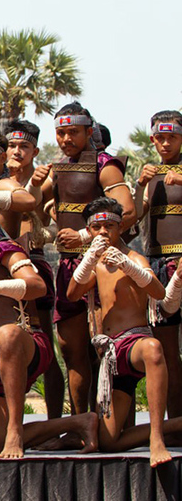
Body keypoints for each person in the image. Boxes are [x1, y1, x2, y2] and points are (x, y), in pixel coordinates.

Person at [0, 189, 98, 458]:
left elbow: (37, 286)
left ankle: (15, 431)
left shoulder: (7, 248)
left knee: (7, 334)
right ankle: (79, 422)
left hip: (27, 343)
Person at [32, 102, 135, 415]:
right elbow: (31, 205)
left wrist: (85, 236)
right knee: (72, 351)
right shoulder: (58, 168)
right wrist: (34, 184)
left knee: (109, 347)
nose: (66, 138)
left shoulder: (105, 165)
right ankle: (81, 423)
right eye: (61, 132)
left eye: (73, 132)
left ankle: (115, 425)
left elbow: (128, 212)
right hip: (68, 267)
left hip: (104, 265)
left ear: (89, 132)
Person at [67, 197, 181, 467]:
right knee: (108, 442)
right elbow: (72, 294)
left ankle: (157, 439)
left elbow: (158, 292)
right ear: (89, 231)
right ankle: (177, 425)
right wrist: (89, 258)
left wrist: (127, 266)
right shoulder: (94, 263)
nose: (103, 232)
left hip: (135, 343)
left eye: (109, 226)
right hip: (112, 354)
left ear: (120, 227)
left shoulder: (134, 258)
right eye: (97, 227)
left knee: (153, 349)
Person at [4, 120, 65, 419]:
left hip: (34, 265)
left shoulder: (47, 181)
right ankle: (7, 421)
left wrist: (45, 233)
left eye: (24, 146)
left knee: (46, 346)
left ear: (35, 151)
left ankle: (54, 422)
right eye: (11, 145)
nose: (17, 151)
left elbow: (60, 220)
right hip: (0, 269)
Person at [133, 110, 182, 418]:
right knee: (166, 352)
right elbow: (133, 216)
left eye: (172, 137)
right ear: (152, 140)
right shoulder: (151, 177)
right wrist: (139, 185)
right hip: (159, 267)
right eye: (160, 138)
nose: (165, 143)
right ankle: (175, 425)